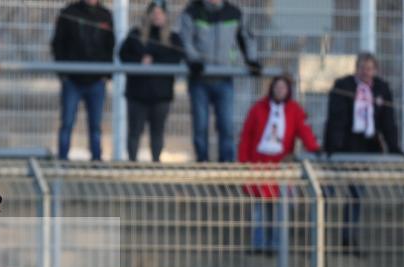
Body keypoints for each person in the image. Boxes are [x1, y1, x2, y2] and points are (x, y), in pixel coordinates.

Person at [324, 52, 401, 255]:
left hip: (365, 147)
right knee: (327, 191)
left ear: (375, 70)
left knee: (356, 194)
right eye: (362, 68)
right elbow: (336, 118)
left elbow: (388, 121)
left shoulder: (381, 89)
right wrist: (333, 145)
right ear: (356, 69)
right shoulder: (343, 86)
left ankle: (349, 240)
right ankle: (319, 240)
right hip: (342, 147)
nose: (366, 72)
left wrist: (393, 147)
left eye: (370, 69)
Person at [238, 75, 319, 253]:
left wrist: (314, 147)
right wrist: (243, 163)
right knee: (258, 209)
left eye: (283, 88)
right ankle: (258, 244)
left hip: (281, 166)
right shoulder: (258, 109)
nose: (280, 91)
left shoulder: (294, 110)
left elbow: (304, 131)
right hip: (258, 165)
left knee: (279, 210)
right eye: (277, 87)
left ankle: (276, 245)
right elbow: (246, 136)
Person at [180, 0, 260, 162]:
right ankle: (202, 164)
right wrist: (194, 60)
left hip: (224, 80)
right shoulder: (192, 11)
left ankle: (226, 167)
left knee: (226, 126)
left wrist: (251, 60)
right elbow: (185, 40)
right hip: (199, 80)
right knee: (200, 127)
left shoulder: (234, 13)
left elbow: (246, 37)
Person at [118, 0, 184, 162]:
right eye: (153, 13)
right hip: (137, 95)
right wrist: (140, 61)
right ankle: (132, 164)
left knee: (157, 133)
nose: (157, 17)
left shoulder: (173, 38)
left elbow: (176, 58)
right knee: (134, 132)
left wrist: (153, 61)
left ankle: (156, 163)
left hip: (161, 96)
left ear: (166, 16)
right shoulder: (135, 34)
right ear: (147, 15)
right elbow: (123, 55)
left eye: (160, 13)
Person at [51, 0, 114, 161]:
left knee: (96, 126)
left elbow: (110, 46)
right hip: (72, 80)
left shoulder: (105, 15)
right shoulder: (69, 12)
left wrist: (106, 74)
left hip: (96, 81)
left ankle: (96, 164)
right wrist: (63, 73)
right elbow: (58, 43)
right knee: (67, 124)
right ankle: (62, 164)